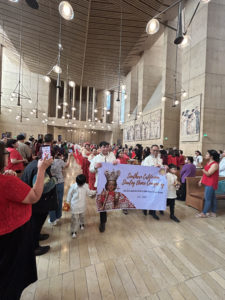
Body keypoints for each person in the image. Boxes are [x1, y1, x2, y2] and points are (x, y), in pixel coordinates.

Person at [0, 141, 52, 300]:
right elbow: (35, 196)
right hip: (11, 238)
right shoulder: (6, 183)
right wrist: (42, 168)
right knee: (11, 280)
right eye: (5, 154)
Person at [21, 133, 56, 256]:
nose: (53, 160)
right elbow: (43, 187)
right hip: (37, 204)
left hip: (35, 203)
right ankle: (34, 247)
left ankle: (37, 236)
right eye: (52, 157)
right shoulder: (39, 169)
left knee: (36, 224)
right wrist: (54, 180)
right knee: (35, 224)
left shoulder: (35, 163)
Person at [89, 141, 118, 232]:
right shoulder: (96, 158)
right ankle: (103, 222)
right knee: (102, 203)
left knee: (111, 200)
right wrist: (95, 167)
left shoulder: (112, 156)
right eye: (103, 147)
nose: (105, 148)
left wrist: (116, 163)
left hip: (111, 183)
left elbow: (116, 167)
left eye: (107, 147)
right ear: (100, 148)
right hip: (101, 183)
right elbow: (91, 170)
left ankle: (106, 214)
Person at [48, 152, 72, 225]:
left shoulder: (46, 162)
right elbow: (67, 165)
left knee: (51, 201)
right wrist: (69, 156)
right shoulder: (59, 161)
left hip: (50, 184)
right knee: (60, 199)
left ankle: (53, 219)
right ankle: (58, 216)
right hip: (60, 182)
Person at [141, 144, 163, 220]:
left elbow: (162, 169)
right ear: (150, 150)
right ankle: (145, 208)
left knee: (155, 196)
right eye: (154, 150)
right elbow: (144, 169)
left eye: (157, 150)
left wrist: (163, 167)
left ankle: (152, 212)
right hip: (149, 180)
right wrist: (153, 166)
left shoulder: (160, 159)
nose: (156, 152)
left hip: (157, 180)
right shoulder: (147, 159)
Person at [197, 150, 220, 218]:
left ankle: (204, 213)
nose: (206, 155)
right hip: (207, 182)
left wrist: (201, 167)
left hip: (211, 183)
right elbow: (205, 173)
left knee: (207, 198)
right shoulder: (209, 162)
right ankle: (213, 213)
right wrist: (201, 180)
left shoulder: (215, 164)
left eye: (207, 154)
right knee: (213, 198)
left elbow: (208, 173)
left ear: (211, 156)